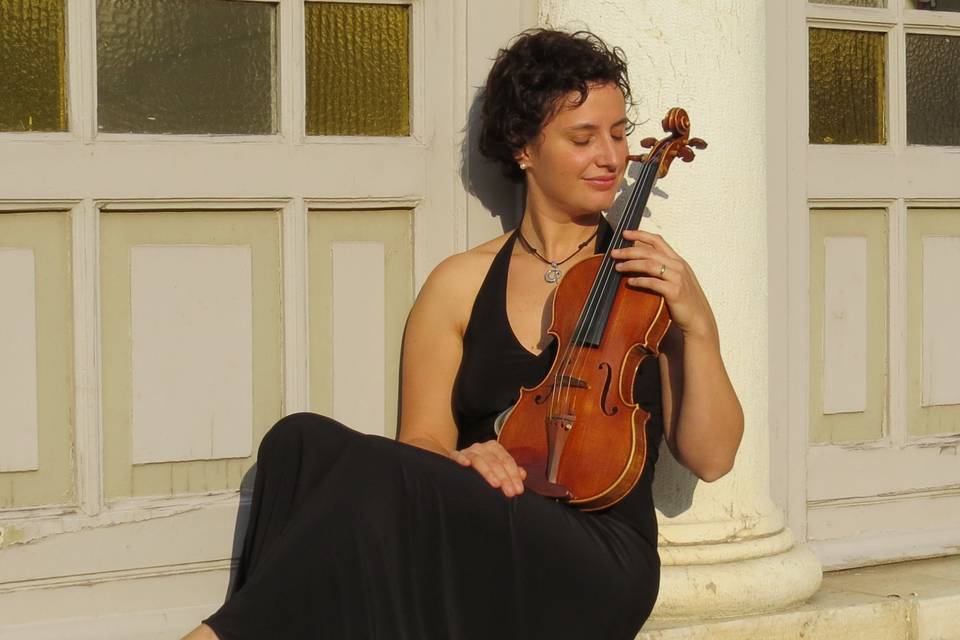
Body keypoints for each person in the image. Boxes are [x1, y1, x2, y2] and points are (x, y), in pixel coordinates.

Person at [182, 28, 743, 640]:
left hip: (594, 557)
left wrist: (699, 324)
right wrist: (461, 458)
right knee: (297, 442)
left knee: (364, 470)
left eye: (616, 134)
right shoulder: (460, 282)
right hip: (485, 525)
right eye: (583, 138)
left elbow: (712, 459)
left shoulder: (646, 280)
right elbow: (419, 440)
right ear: (524, 148)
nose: (610, 158)